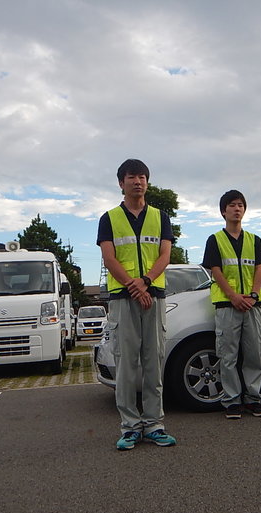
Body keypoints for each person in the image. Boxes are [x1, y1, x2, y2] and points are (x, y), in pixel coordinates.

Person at [97, 158, 178, 450]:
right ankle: (130, 427)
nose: (138, 181)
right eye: (131, 176)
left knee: (153, 361)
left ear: (147, 182)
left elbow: (165, 255)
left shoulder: (160, 216)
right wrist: (135, 287)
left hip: (153, 295)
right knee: (126, 365)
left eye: (142, 176)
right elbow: (109, 259)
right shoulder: (109, 218)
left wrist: (145, 281)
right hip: (123, 299)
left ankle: (155, 424)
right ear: (121, 183)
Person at [201, 189, 261, 419]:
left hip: (252, 304)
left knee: (253, 354)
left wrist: (251, 295)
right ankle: (231, 401)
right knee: (227, 356)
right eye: (232, 205)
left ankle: (253, 399)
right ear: (223, 211)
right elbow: (215, 270)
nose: (237, 208)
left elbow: (260, 269)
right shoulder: (215, 240)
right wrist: (233, 296)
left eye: (240, 205)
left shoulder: (254, 240)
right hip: (227, 305)